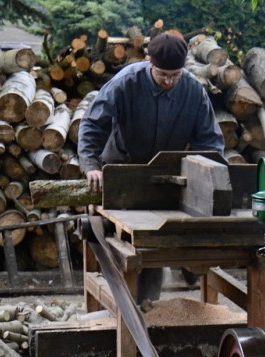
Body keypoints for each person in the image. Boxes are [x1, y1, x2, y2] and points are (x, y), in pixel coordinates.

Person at [78, 31, 225, 302]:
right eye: (162, 75)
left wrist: (212, 178)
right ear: (149, 63)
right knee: (131, 246)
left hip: (167, 174)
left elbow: (210, 141)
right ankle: (126, 309)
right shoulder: (125, 83)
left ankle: (149, 309)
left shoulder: (193, 90)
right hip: (123, 169)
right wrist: (91, 165)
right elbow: (92, 124)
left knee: (160, 240)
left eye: (175, 76)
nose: (169, 81)